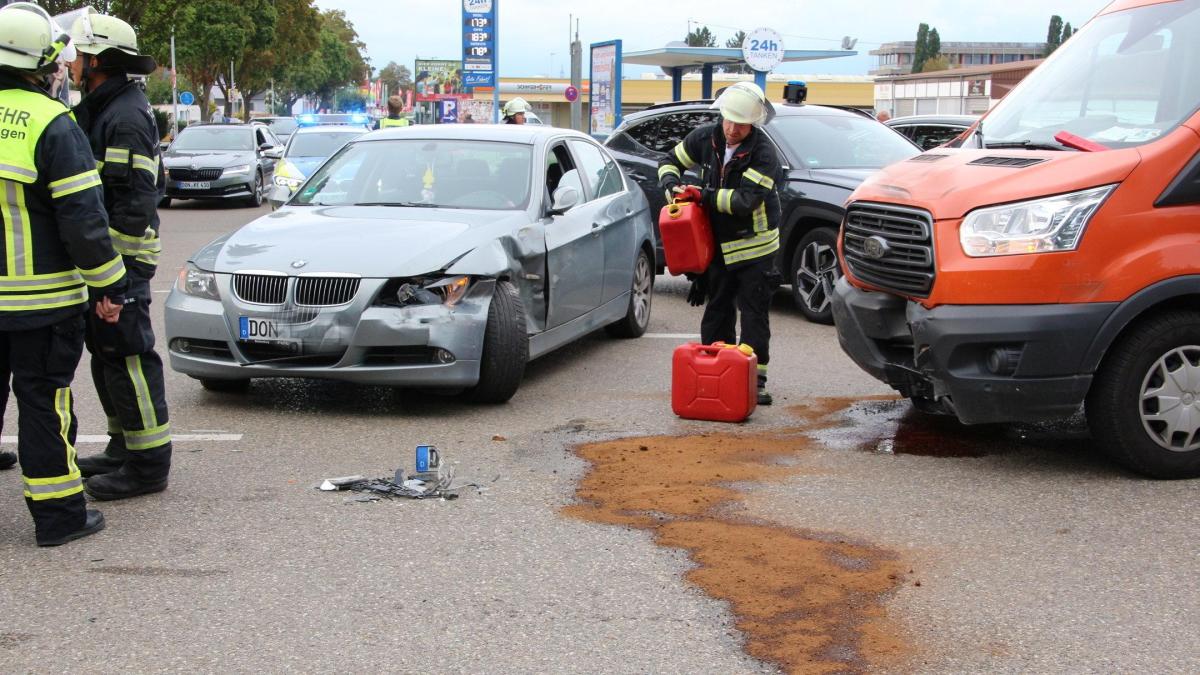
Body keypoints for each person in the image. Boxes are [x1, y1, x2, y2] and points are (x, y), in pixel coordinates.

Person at [0, 2, 128, 545]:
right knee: (43, 403)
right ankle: (58, 518)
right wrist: (109, 285)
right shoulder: (53, 124)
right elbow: (84, 222)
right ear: (43, 64)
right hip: (39, 304)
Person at [68, 11, 172, 500]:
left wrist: (119, 279)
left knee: (129, 359)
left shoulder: (124, 116)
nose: (71, 61)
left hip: (121, 263)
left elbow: (134, 202)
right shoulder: (105, 107)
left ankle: (148, 466)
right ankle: (121, 447)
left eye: (79, 54)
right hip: (106, 264)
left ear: (97, 60)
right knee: (107, 358)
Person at [657, 82, 781, 405]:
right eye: (728, 120)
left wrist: (702, 194)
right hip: (720, 248)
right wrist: (672, 187)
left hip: (755, 249)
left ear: (752, 123)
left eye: (740, 124)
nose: (731, 129)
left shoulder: (764, 154)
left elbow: (745, 202)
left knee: (754, 316)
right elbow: (669, 161)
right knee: (717, 311)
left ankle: (755, 381)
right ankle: (715, 373)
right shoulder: (705, 137)